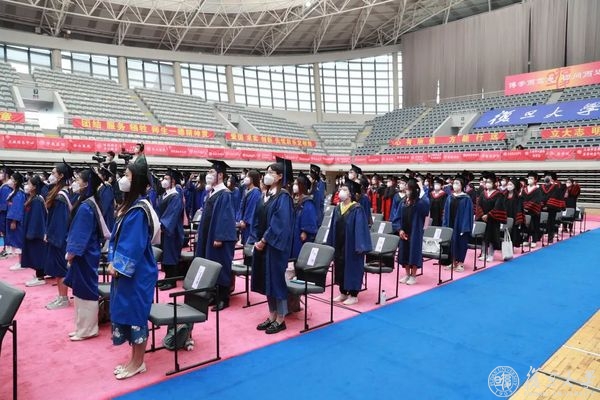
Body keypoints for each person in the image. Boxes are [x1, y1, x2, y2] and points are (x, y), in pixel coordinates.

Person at [108, 162, 160, 380]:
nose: (123, 178)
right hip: (128, 273)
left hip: (137, 273)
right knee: (128, 314)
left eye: (127, 175)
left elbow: (133, 244)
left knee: (136, 316)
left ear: (137, 180)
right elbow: (118, 239)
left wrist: (118, 265)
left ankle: (138, 363)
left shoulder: (139, 210)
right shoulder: (130, 206)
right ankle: (133, 360)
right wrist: (113, 261)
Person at [64, 167, 110, 341]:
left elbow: (79, 234)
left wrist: (71, 253)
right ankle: (81, 327)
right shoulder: (88, 203)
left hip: (85, 254)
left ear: (86, 184)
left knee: (85, 292)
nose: (75, 182)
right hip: (87, 253)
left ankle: (88, 329)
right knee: (79, 292)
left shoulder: (86, 207)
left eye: (78, 180)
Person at [252, 161, 294, 334]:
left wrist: (264, 240)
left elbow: (279, 223)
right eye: (266, 171)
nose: (267, 175)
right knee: (267, 282)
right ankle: (272, 316)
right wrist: (256, 239)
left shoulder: (283, 197)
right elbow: (257, 218)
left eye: (271, 172)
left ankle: (281, 319)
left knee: (276, 282)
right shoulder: (266, 195)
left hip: (275, 247)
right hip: (263, 246)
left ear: (280, 176)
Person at [195, 160, 237, 311]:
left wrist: (220, 237)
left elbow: (226, 218)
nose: (209, 174)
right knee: (210, 264)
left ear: (220, 175)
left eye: (212, 172)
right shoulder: (211, 192)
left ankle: (224, 298)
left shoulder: (225, 194)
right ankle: (213, 294)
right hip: (208, 235)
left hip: (218, 238)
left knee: (220, 266)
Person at [327, 179, 372, 306]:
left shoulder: (357, 209)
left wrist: (360, 246)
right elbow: (332, 227)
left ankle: (353, 294)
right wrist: (331, 243)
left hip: (352, 245)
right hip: (339, 244)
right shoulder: (337, 208)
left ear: (351, 193)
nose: (341, 191)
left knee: (352, 268)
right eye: (341, 189)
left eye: (345, 189)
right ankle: (343, 292)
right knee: (340, 266)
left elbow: (360, 229)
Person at [44, 162, 74, 310]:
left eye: (53, 173)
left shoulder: (61, 197)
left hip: (60, 238)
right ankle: (61, 296)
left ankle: (64, 298)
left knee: (61, 269)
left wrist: (53, 237)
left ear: (61, 175)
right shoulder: (59, 192)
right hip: (57, 237)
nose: (51, 175)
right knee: (57, 269)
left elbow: (60, 222)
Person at [393, 178, 430, 285]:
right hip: (404, 231)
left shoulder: (419, 203)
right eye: (406, 189)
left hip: (415, 232)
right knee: (404, 252)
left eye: (408, 189)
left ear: (414, 190)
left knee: (414, 252)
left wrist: (422, 189)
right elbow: (397, 218)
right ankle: (407, 274)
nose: (406, 191)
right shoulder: (403, 202)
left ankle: (413, 275)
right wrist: (399, 229)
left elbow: (426, 206)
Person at [156, 168, 185, 291]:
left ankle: (172, 281)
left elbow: (172, 214)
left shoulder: (176, 196)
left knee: (171, 255)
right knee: (165, 255)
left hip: (172, 231)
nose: (164, 180)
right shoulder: (165, 194)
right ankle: (166, 278)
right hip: (164, 230)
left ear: (173, 181)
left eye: (166, 178)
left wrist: (163, 225)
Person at [442, 175, 473, 272]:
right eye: (454, 183)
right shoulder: (450, 197)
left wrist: (465, 227)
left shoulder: (466, 198)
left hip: (461, 225)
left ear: (462, 186)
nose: (454, 185)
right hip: (451, 223)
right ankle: (453, 262)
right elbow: (446, 212)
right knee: (452, 243)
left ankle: (460, 263)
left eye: (457, 183)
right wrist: (445, 225)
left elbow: (468, 214)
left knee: (461, 243)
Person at [22, 175, 48, 287]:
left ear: (34, 187)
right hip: (31, 231)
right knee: (35, 254)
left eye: (29, 184)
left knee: (38, 255)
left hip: (36, 234)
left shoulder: (37, 200)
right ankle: (39, 275)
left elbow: (37, 218)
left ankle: (40, 277)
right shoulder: (32, 198)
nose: (27, 186)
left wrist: (32, 233)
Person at [475, 172, 507, 262]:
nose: (487, 184)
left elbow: (498, 207)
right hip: (483, 219)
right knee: (484, 237)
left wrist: (488, 215)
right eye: (486, 182)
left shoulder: (499, 194)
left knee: (492, 237)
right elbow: (478, 205)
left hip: (493, 219)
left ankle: (490, 255)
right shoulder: (483, 193)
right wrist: (482, 214)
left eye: (489, 182)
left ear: (494, 183)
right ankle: (484, 254)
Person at [291, 172, 318, 260]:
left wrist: (305, 231)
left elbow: (309, 217)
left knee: (299, 255)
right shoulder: (295, 199)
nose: (294, 186)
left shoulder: (307, 202)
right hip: (293, 232)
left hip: (300, 234)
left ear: (302, 186)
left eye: (296, 184)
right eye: (294, 184)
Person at [6, 172, 26, 271]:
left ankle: (21, 262)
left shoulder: (19, 193)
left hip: (17, 221)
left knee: (18, 241)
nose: (10, 180)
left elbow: (17, 208)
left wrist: (14, 221)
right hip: (13, 219)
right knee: (16, 241)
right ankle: (20, 262)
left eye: (12, 178)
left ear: (16, 181)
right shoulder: (14, 191)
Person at [540, 171, 565, 244]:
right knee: (541, 222)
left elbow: (555, 196)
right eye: (546, 176)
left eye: (549, 177)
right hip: (542, 207)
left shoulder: (556, 187)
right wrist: (542, 205)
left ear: (551, 179)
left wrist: (547, 205)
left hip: (552, 208)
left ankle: (550, 238)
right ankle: (540, 236)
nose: (547, 178)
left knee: (551, 222)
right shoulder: (541, 187)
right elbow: (540, 196)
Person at [522, 171, 543, 247]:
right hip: (525, 211)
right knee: (526, 225)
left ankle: (534, 240)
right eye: (528, 178)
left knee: (534, 225)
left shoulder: (538, 189)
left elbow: (536, 200)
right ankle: (526, 239)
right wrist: (523, 207)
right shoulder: (524, 189)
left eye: (531, 178)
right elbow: (522, 199)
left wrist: (528, 207)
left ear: (535, 180)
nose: (529, 180)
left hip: (533, 211)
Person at [504, 177, 524, 249]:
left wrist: (517, 220)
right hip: (505, 216)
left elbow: (519, 209)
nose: (509, 186)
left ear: (515, 186)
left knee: (513, 231)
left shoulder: (518, 197)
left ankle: (512, 246)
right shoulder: (503, 195)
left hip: (514, 217)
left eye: (511, 184)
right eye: (508, 184)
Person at [0, 165, 14, 258]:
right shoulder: (5, 186)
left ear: (7, 175)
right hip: (5, 212)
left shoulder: (5, 187)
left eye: (2, 172)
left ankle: (6, 249)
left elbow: (4, 203)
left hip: (4, 213)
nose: (0, 174)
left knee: (5, 231)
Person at [98, 166, 116, 232]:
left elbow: (105, 205)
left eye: (99, 174)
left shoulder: (107, 187)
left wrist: (99, 217)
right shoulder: (101, 186)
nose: (97, 176)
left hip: (106, 217)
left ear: (104, 177)